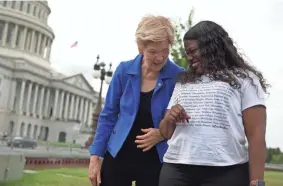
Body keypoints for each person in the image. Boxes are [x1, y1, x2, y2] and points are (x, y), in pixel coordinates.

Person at [159, 20, 269, 186]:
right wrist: (169, 118)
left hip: (226, 171)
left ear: (210, 47)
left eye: (192, 51)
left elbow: (256, 135)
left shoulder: (245, 79)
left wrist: (257, 181)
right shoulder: (184, 81)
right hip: (177, 169)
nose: (189, 57)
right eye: (186, 53)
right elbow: (166, 132)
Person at [88, 15, 184, 186]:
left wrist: (161, 134)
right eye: (153, 52)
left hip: (157, 158)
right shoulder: (124, 71)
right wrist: (95, 157)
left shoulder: (179, 76)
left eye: (165, 51)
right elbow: (108, 115)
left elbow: (183, 121)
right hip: (118, 154)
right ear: (141, 48)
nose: (160, 58)